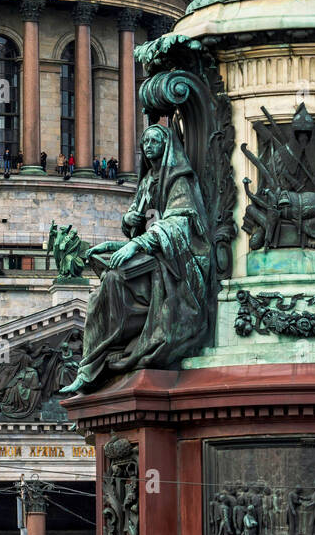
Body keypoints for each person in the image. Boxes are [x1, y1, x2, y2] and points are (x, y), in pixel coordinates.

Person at [61, 123, 215, 393]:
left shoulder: (178, 178)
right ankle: (91, 366)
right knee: (105, 286)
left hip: (172, 259)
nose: (148, 147)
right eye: (145, 142)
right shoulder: (146, 181)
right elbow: (136, 220)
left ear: (166, 146)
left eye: (154, 141)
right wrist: (127, 221)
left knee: (115, 280)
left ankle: (98, 364)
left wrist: (136, 245)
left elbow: (181, 223)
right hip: (150, 252)